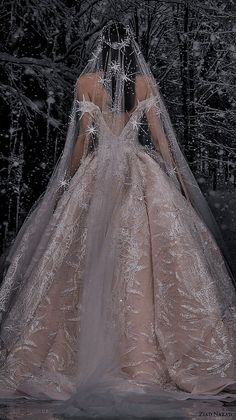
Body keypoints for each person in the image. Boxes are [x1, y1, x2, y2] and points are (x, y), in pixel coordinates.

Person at [0, 20, 235, 416]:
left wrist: (66, 184)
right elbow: (159, 138)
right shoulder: (142, 83)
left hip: (98, 172)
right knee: (144, 259)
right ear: (131, 48)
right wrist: (177, 180)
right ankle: (143, 352)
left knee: (83, 258)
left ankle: (82, 351)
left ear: (100, 46)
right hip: (137, 170)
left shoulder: (87, 82)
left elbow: (81, 136)